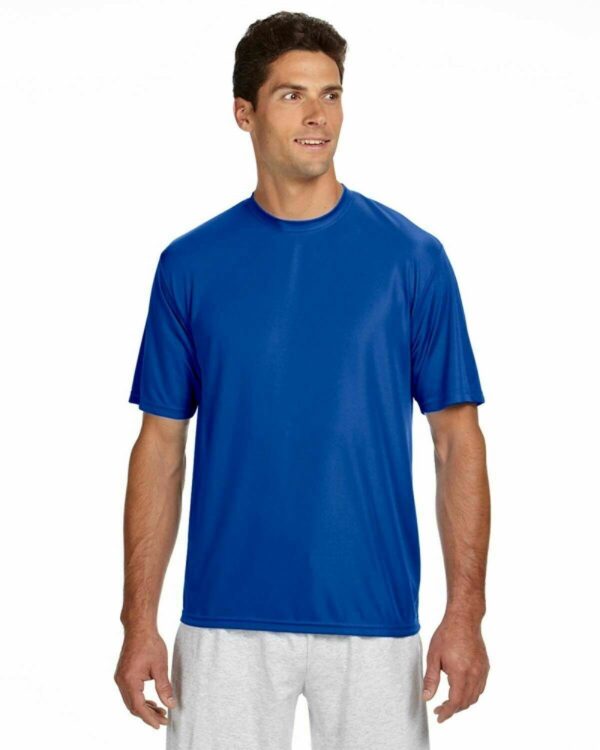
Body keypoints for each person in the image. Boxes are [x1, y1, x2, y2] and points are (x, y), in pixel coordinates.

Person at [114, 11, 491, 750]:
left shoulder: (411, 259)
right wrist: (138, 623)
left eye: (331, 94)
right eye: (292, 95)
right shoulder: (191, 265)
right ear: (244, 113)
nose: (319, 115)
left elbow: (457, 442)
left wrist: (465, 613)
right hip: (224, 622)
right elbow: (160, 448)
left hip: (375, 618)